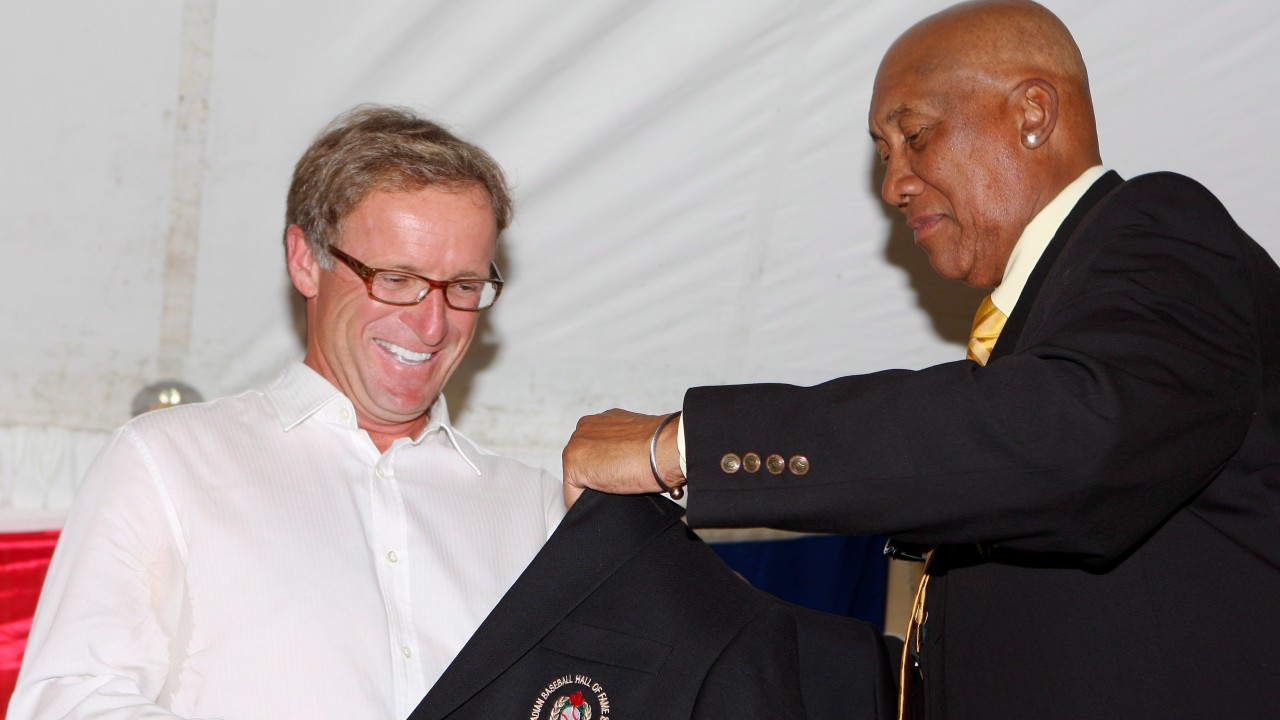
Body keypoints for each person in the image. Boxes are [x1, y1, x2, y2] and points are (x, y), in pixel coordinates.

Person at [562, 1, 1280, 718]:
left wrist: (686, 442)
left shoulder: (1161, 229)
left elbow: (1067, 439)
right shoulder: (1033, 355)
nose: (893, 185)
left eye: (916, 136)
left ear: (1033, 112)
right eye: (885, 154)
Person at [9, 105, 564, 719]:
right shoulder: (169, 459)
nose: (433, 325)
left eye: (462, 287)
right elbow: (68, 701)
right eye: (398, 279)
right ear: (306, 260)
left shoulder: (535, 508)